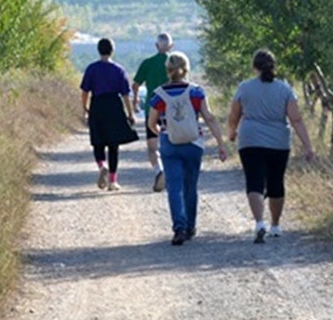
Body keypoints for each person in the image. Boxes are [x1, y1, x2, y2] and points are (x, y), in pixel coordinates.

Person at [226, 49, 316, 244]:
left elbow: (234, 116)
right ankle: (275, 225)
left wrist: (231, 133)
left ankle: (259, 222)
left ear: (254, 67)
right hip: (278, 142)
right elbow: (296, 119)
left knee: (254, 180)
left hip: (250, 140)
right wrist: (308, 146)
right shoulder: (285, 89)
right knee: (276, 181)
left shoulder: (244, 88)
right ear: (274, 67)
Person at [146, 52, 228, 245]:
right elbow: (209, 117)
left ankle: (179, 228)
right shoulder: (196, 92)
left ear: (168, 71)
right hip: (193, 144)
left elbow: (151, 123)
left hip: (170, 144)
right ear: (186, 69)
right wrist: (220, 143)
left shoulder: (159, 94)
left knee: (174, 188)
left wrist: (162, 132)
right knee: (191, 187)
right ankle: (191, 226)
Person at [80, 37, 138, 191]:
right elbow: (126, 95)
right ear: (112, 51)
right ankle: (113, 181)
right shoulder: (119, 70)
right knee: (114, 145)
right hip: (114, 106)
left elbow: (85, 91)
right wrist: (130, 114)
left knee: (97, 140)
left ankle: (102, 166)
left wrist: (84, 108)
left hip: (97, 105)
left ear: (98, 50)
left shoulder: (91, 69)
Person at [133, 32, 174, 192]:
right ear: (171, 46)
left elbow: (135, 85)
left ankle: (159, 170)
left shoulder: (147, 63)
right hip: (171, 110)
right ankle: (171, 174)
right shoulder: (175, 63)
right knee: (171, 144)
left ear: (156, 46)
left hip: (152, 109)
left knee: (152, 147)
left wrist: (135, 100)